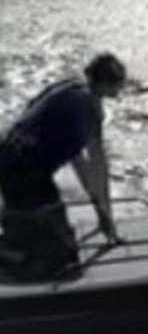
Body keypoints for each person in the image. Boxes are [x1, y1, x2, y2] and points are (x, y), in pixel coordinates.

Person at [0, 53, 127, 278]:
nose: (120, 93)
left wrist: (102, 212)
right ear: (106, 84)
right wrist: (104, 215)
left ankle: (14, 247)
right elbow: (94, 166)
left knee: (26, 224)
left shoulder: (68, 85)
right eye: (118, 86)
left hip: (8, 154)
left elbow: (84, 158)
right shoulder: (89, 108)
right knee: (60, 256)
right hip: (26, 170)